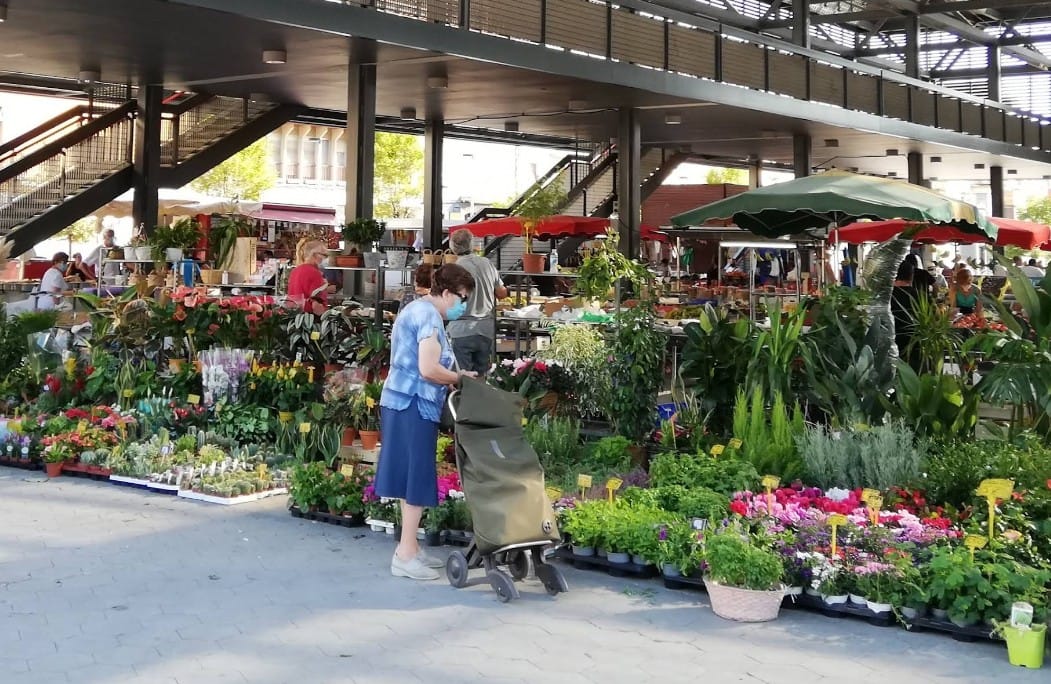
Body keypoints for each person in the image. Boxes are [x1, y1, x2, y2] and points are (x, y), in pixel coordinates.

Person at [375, 264, 477, 581]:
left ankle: (410, 549)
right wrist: (459, 378)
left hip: (401, 401)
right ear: (446, 293)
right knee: (416, 476)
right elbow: (428, 369)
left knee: (408, 476)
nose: (462, 306)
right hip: (412, 404)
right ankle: (405, 555)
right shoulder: (429, 317)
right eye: (461, 298)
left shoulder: (417, 310)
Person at [445, 229, 508, 375]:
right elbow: (501, 293)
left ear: (453, 247)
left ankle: (463, 398)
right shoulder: (486, 263)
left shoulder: (454, 269)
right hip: (485, 328)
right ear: (472, 244)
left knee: (462, 380)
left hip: (460, 330)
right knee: (483, 378)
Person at [287, 240, 336, 314]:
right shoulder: (314, 273)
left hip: (295, 317)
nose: (326, 259)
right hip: (310, 318)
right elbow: (317, 304)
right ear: (315, 255)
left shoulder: (295, 271)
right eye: (325, 255)